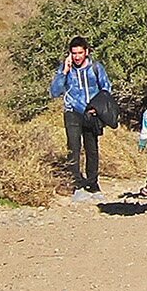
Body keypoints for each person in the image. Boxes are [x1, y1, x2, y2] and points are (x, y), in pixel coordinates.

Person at [48, 35, 111, 194]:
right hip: (72, 112)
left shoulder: (96, 68)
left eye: (80, 53)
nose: (77, 57)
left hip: (91, 113)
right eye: (74, 53)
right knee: (73, 147)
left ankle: (92, 182)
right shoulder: (66, 69)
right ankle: (75, 182)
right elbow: (55, 92)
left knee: (92, 148)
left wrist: (97, 108)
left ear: (87, 52)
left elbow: (106, 89)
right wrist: (64, 72)